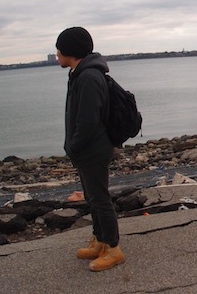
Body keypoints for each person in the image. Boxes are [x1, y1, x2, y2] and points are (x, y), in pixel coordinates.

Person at [56, 26, 126, 272]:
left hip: (93, 150)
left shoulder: (88, 77)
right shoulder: (79, 73)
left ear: (70, 51)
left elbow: (88, 121)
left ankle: (113, 249)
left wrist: (74, 147)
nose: (56, 53)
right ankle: (100, 240)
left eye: (59, 49)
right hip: (87, 149)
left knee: (100, 199)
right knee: (92, 198)